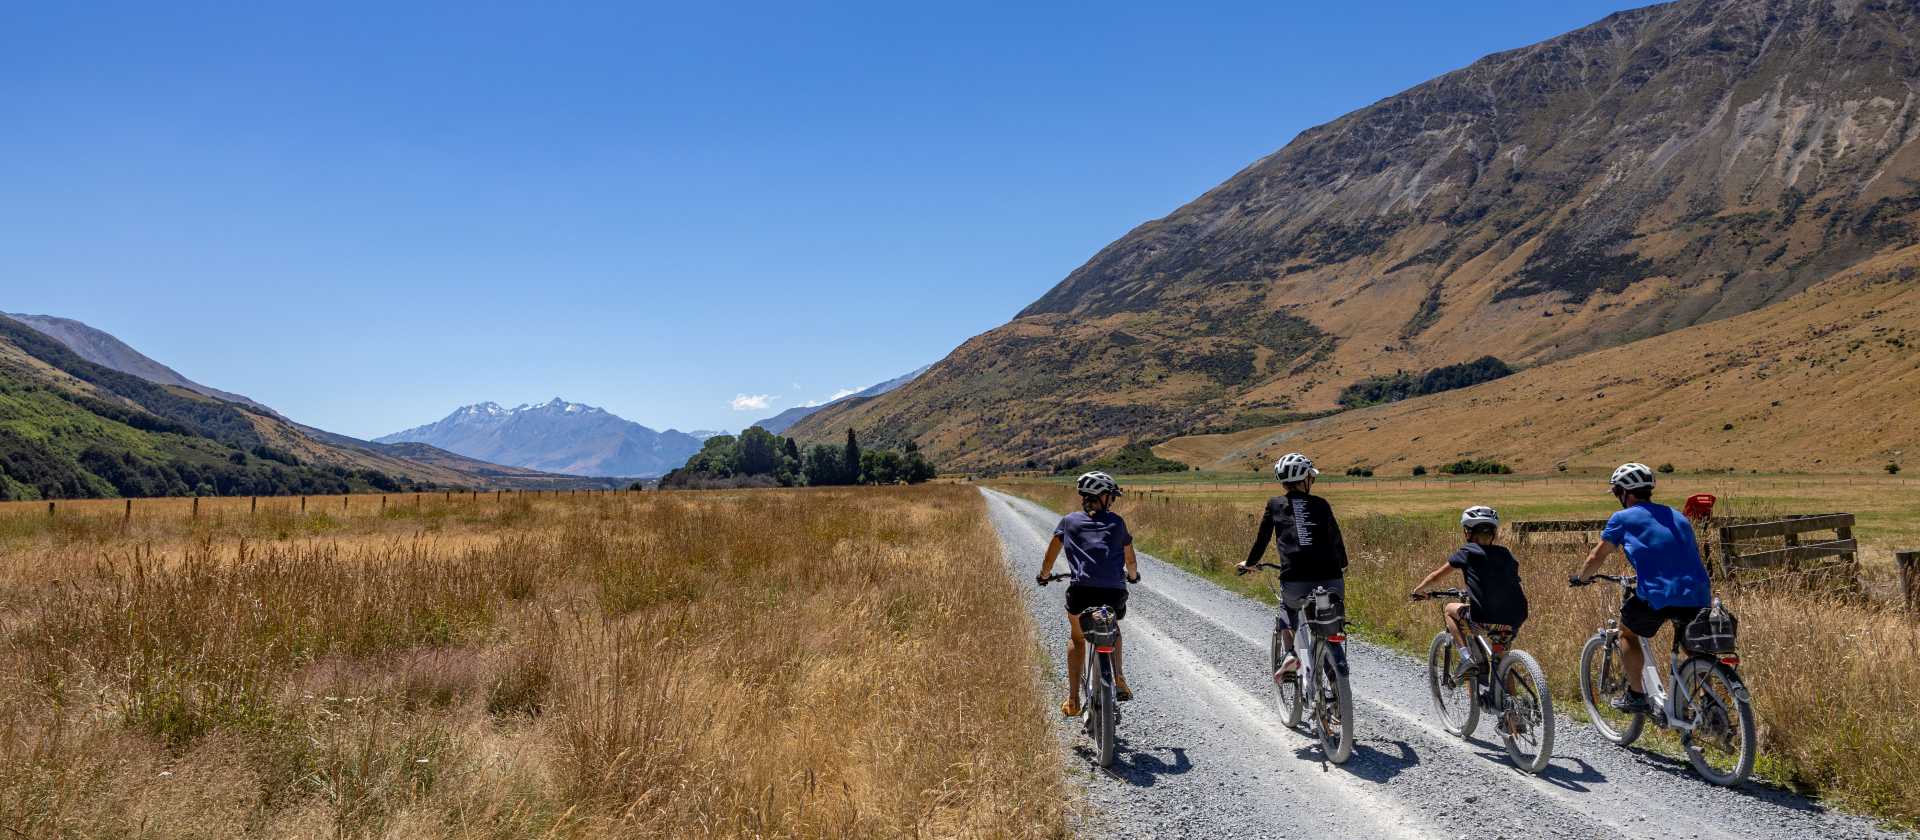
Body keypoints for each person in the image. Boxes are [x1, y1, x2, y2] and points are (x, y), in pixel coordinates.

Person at [1569, 462, 1712, 713]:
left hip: (1658, 594)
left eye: (1616, 492)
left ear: (1626, 493)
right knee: (1695, 651)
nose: (1617, 498)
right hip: (1698, 592)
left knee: (1627, 634)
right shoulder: (1678, 516)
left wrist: (1581, 577)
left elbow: (1597, 557)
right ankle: (1710, 705)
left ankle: (1636, 695)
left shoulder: (1622, 518)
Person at [1037, 471, 1141, 716]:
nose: (1112, 501)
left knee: (1077, 638)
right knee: (1113, 628)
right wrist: (1133, 577)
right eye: (1111, 496)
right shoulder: (1117, 522)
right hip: (1114, 592)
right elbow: (1131, 560)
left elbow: (1050, 556)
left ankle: (1072, 699)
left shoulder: (1068, 521)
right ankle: (1118, 677)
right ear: (1103, 497)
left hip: (1081, 592)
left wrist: (1044, 575)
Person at [1236, 452, 1347, 678]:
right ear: (1304, 480)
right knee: (1328, 614)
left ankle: (1289, 654)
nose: (1312, 481)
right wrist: (1343, 565)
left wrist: (1250, 563)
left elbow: (1262, 539)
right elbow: (1336, 539)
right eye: (1311, 478)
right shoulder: (1322, 504)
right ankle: (1332, 669)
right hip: (1332, 579)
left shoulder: (1275, 504)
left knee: (1288, 608)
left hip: (1295, 580)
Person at [1411, 505, 1529, 673]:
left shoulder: (1467, 552)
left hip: (1483, 619)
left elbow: (1436, 577)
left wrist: (1419, 589)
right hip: (1515, 618)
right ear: (1493, 534)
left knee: (1449, 609)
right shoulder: (1506, 554)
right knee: (1500, 661)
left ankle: (1466, 658)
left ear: (1468, 532)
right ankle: (1508, 698)